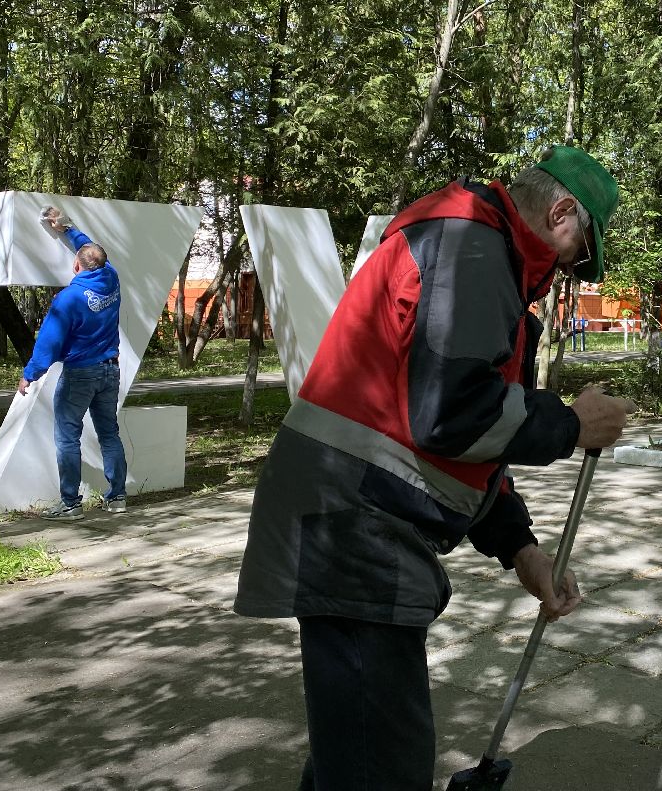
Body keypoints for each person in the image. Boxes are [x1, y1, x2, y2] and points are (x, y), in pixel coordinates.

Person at [234, 146, 637, 791]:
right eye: (579, 251)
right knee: (380, 766)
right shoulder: (472, 248)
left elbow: (467, 443)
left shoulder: (477, 251)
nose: (569, 271)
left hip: (357, 514)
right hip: (354, 522)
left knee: (357, 750)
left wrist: (521, 549)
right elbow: (454, 416)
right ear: (562, 213)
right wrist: (570, 425)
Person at [17, 208, 127, 521]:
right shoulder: (111, 276)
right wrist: (66, 228)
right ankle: (117, 497)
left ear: (76, 265)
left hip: (80, 373)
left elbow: (48, 344)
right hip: (110, 370)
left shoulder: (68, 298)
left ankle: (70, 504)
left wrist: (30, 375)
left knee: (67, 437)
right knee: (109, 434)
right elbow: (92, 248)